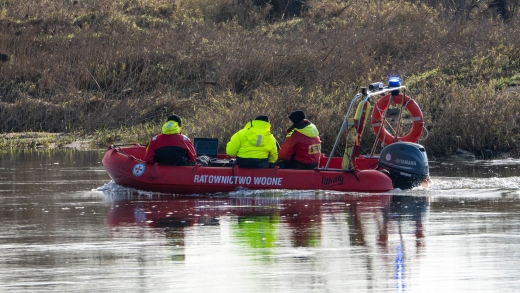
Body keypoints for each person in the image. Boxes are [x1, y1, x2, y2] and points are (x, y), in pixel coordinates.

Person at [342, 97, 372, 169]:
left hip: (354, 136)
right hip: (355, 136)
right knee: (354, 146)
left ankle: (348, 167)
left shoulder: (364, 105)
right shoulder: (365, 105)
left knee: (353, 146)